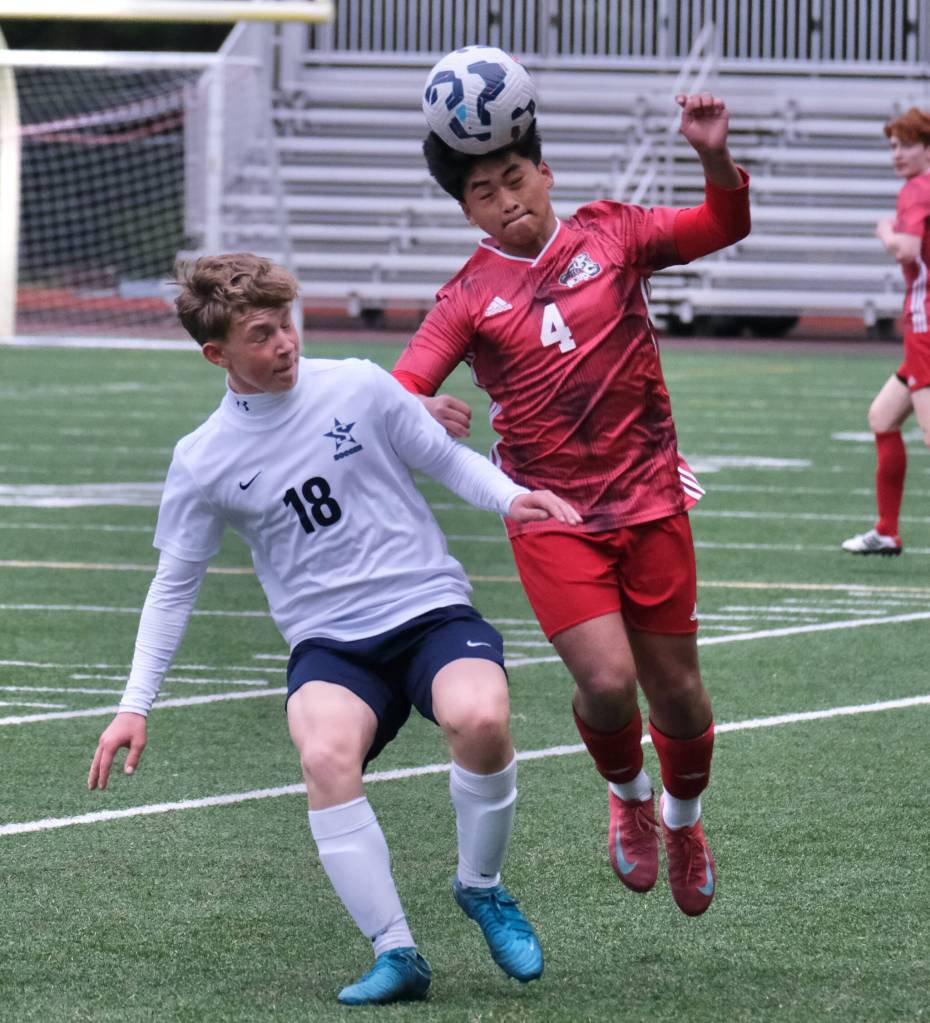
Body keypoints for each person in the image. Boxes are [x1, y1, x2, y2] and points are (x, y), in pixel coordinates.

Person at [87, 253, 583, 1005]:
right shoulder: (202, 459)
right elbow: (174, 584)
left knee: (480, 715)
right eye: (261, 334)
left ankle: (481, 885)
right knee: (323, 752)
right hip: (330, 646)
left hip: (428, 610)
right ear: (216, 354)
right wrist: (135, 702)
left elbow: (446, 460)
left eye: (286, 323)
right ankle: (397, 952)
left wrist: (514, 499)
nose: (285, 343)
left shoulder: (355, 382)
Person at [392, 93, 751, 918]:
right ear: (465, 209)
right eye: (485, 193)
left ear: (545, 174)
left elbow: (720, 225)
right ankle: (626, 794)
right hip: (550, 511)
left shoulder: (612, 233)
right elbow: (400, 390)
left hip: (651, 497)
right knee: (607, 677)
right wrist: (419, 410)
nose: (507, 200)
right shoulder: (466, 297)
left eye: (516, 179)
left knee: (683, 697)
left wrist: (712, 155)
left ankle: (683, 820)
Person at [842, 108, 930, 557]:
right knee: (882, 417)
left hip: (926, 327)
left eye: (906, 145)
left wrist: (885, 232)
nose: (897, 154)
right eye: (892, 146)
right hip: (922, 327)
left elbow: (908, 250)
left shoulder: (917, 189)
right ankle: (886, 531)